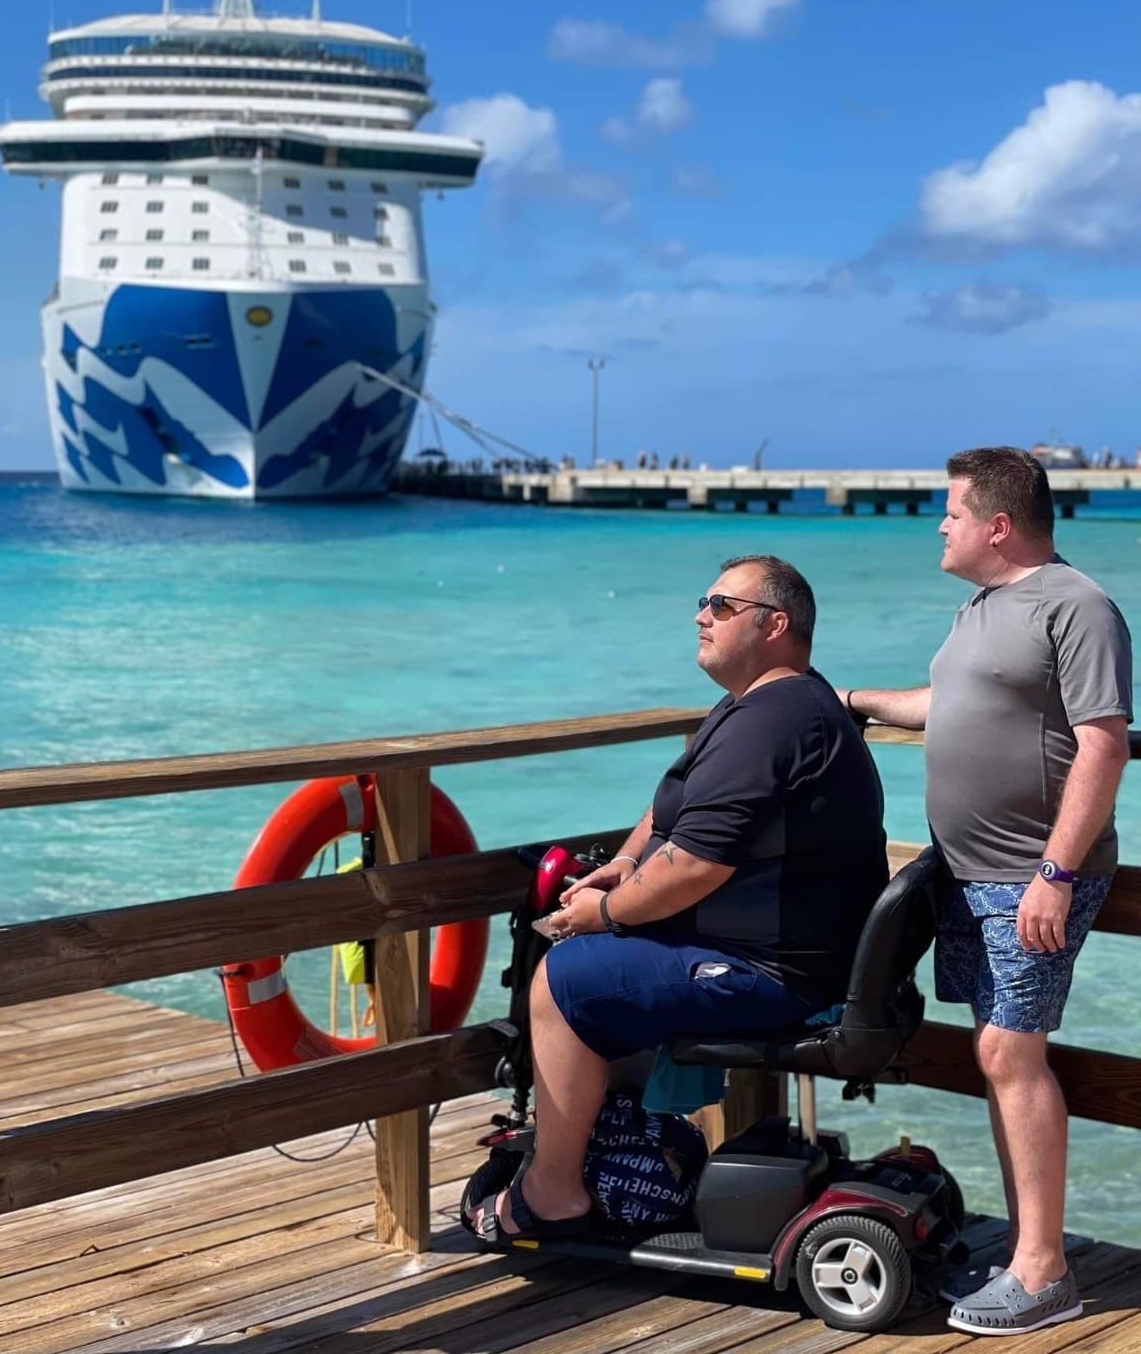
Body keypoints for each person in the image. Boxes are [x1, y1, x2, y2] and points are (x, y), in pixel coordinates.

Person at [469, 554, 888, 1244]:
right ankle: (620, 1148)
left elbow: (693, 866)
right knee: (603, 963)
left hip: (778, 974)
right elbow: (672, 814)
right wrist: (626, 865)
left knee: (565, 978)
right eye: (705, 602)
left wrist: (601, 913)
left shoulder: (772, 722)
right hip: (780, 951)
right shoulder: (760, 705)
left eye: (721, 607)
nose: (701, 615)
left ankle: (553, 1193)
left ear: (775, 625)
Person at [840, 446, 1132, 1337]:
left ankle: (1044, 1273)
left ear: (997, 525)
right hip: (966, 873)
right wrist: (844, 697)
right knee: (994, 1054)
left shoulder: (1077, 606)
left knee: (1011, 1054)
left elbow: (1104, 743)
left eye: (952, 511)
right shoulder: (982, 608)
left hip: (1029, 876)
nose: (940, 524)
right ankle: (1024, 1252)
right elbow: (945, 703)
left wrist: (1055, 871)